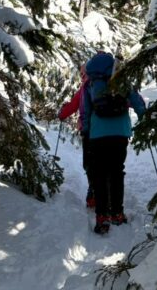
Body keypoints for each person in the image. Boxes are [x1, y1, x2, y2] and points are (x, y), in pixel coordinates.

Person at [81, 51, 145, 235]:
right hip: (120, 132)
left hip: (98, 134)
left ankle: (102, 216)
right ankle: (117, 213)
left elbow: (86, 110)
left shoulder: (91, 82)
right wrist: (145, 117)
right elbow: (136, 100)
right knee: (117, 171)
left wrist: (87, 131)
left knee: (100, 174)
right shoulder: (120, 77)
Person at [58, 64, 95, 207]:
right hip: (113, 133)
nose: (81, 76)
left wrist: (62, 114)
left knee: (90, 163)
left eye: (82, 74)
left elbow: (73, 105)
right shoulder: (110, 84)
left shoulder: (85, 89)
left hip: (89, 131)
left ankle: (94, 193)